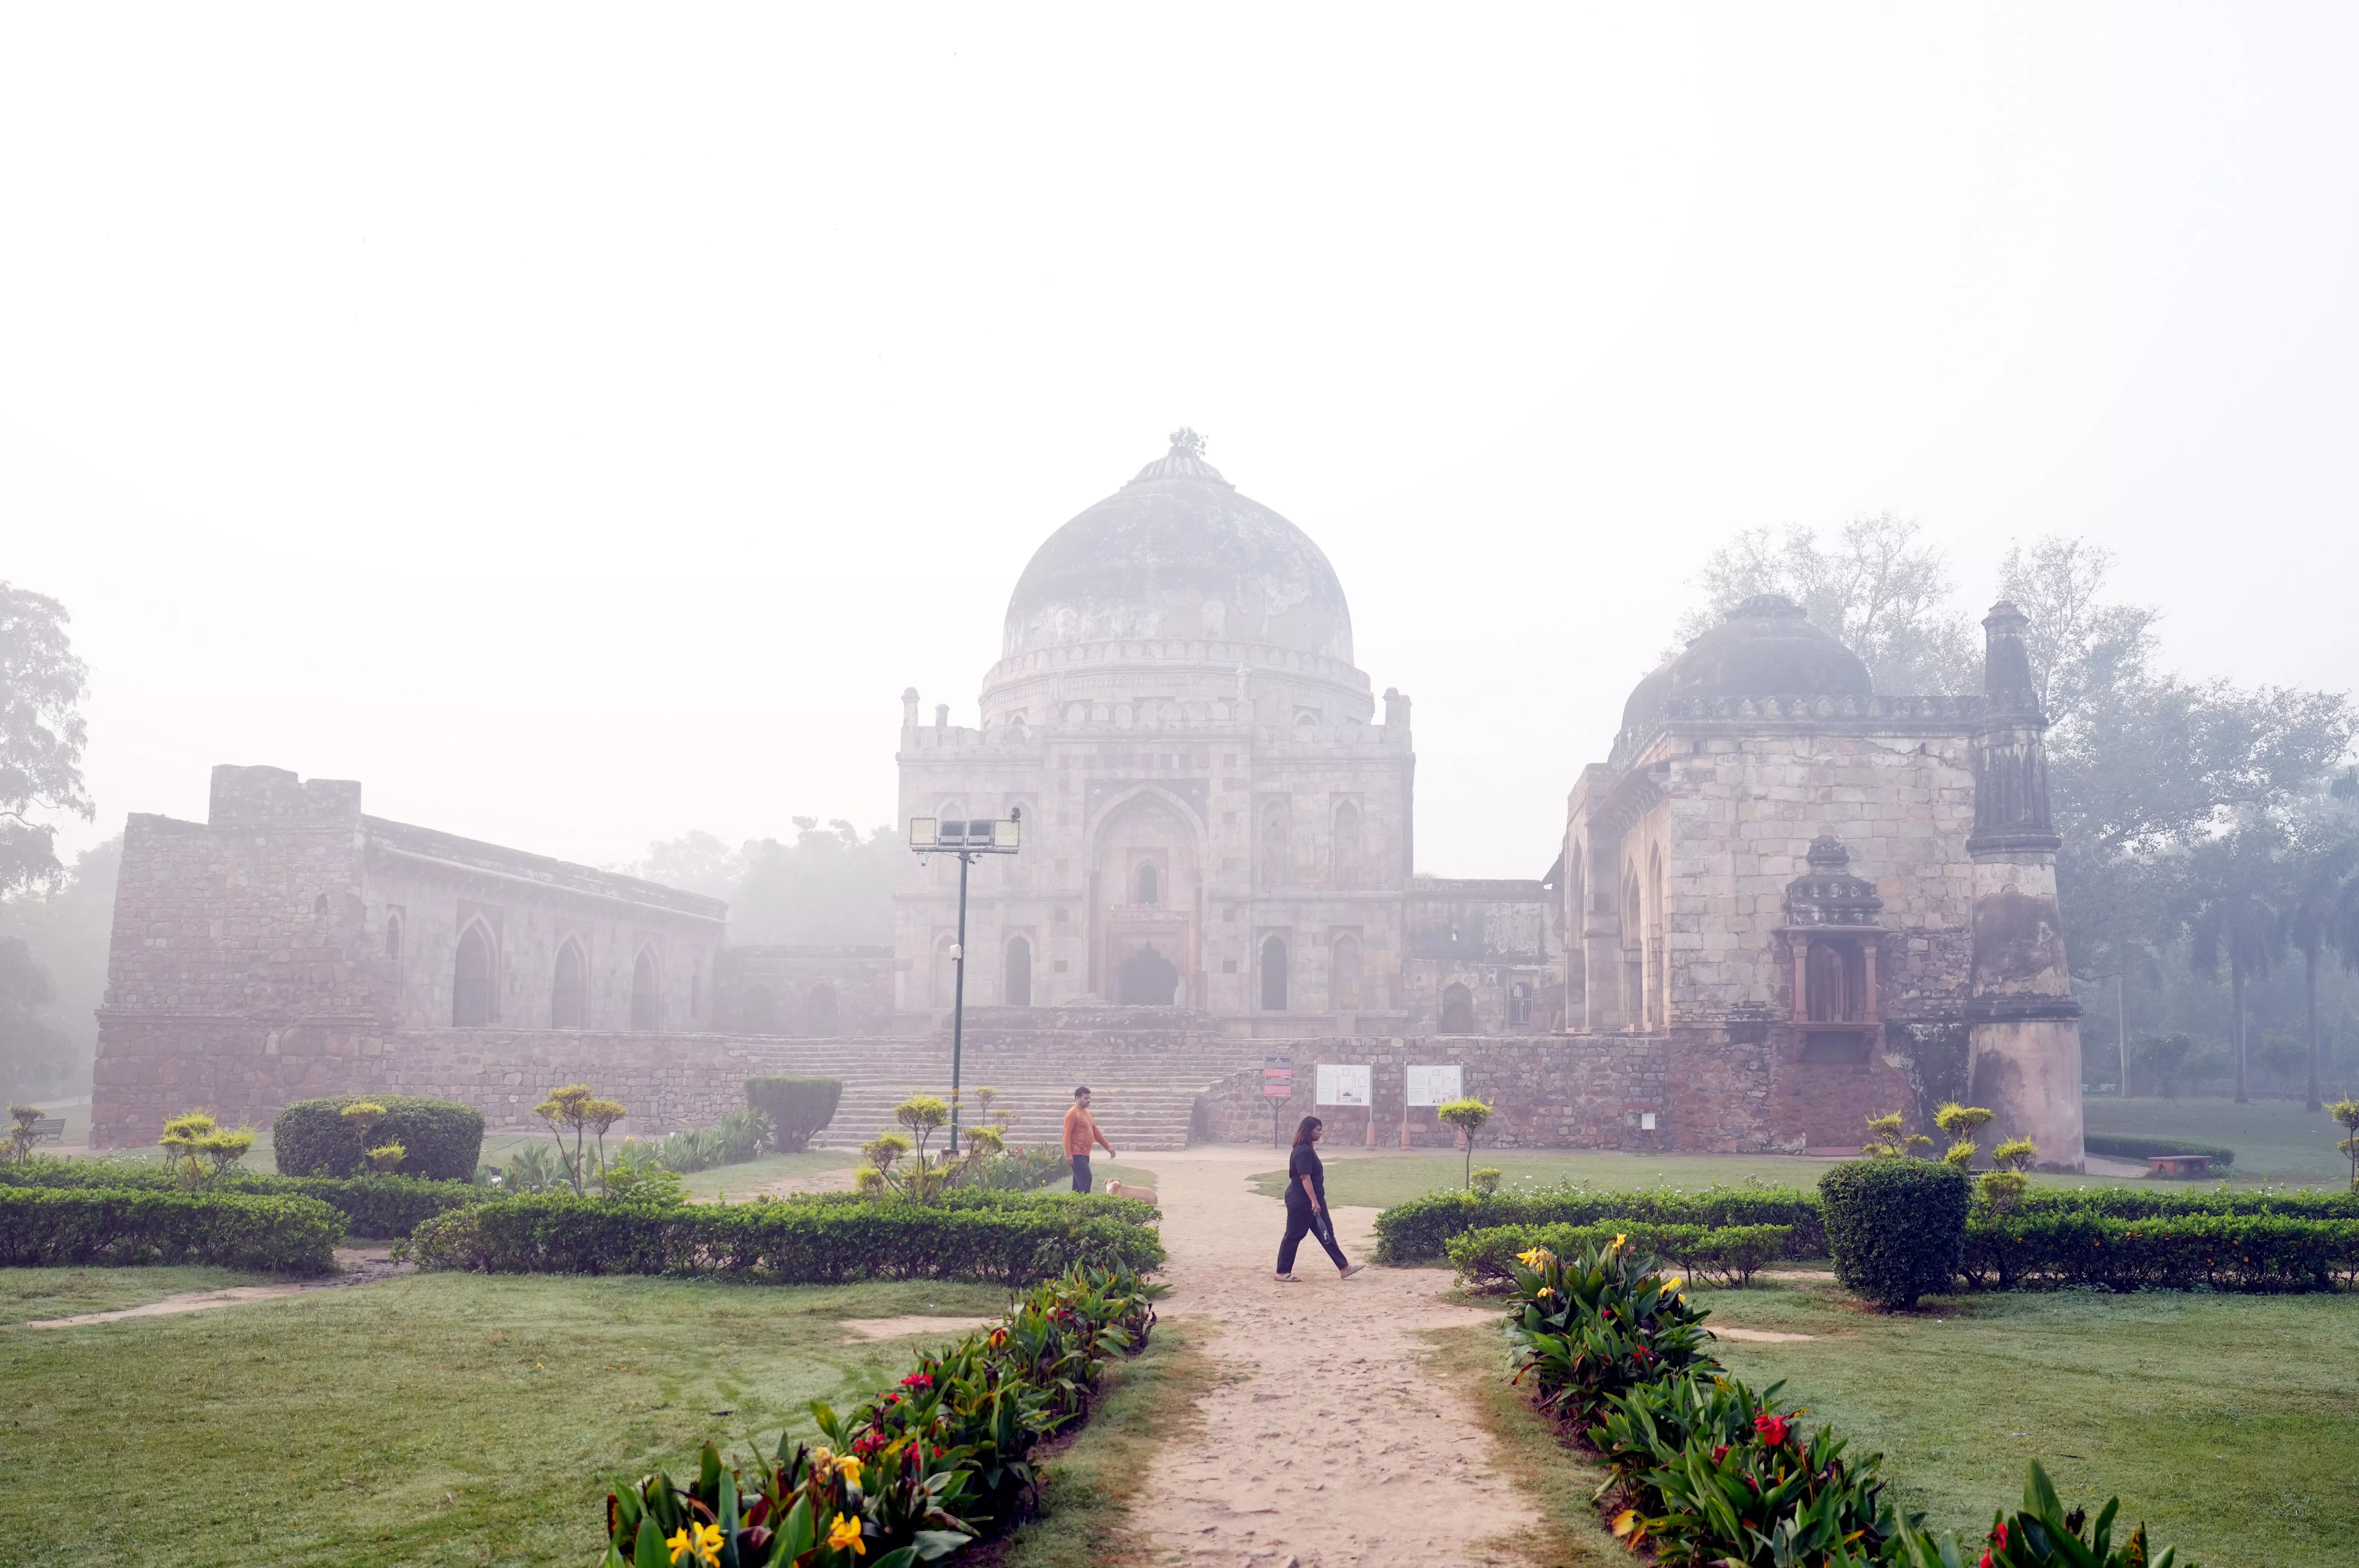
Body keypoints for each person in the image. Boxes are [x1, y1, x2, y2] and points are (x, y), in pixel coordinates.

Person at [1277, 1115, 1365, 1282]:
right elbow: (1305, 1178)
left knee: (1327, 1234)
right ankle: (1282, 1272)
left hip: (1314, 1200)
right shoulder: (1303, 1151)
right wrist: (1314, 1202)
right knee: (1294, 1235)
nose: (1320, 1133)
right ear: (1309, 1131)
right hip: (1303, 1201)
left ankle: (1344, 1268)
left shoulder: (1308, 1149)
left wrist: (1317, 1201)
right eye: (1318, 1130)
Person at [1062, 1085, 1117, 1193]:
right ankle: (1085, 1206)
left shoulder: (1088, 1113)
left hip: (1085, 1153)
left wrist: (1108, 1147)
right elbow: (1066, 1135)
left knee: (1078, 1183)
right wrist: (1068, 1154)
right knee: (1087, 1178)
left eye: (1089, 1098)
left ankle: (1074, 1206)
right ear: (1078, 1098)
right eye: (1086, 1098)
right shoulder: (1072, 1113)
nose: (1088, 1101)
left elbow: (1096, 1132)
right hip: (1076, 1153)